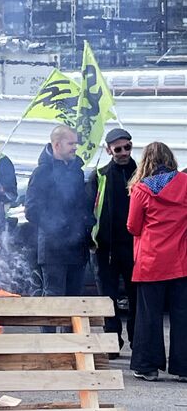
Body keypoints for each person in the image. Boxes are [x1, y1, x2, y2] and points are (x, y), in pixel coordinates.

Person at [127, 142, 187, 382]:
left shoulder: (141, 189)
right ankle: (184, 368)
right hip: (181, 261)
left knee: (148, 316)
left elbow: (132, 226)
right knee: (182, 315)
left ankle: (147, 366)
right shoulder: (185, 183)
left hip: (150, 261)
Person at [25, 125, 93, 299]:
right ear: (57, 145)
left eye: (75, 143)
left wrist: (87, 224)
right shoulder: (42, 172)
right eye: (71, 143)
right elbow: (31, 210)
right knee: (53, 300)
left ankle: (71, 329)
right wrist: (56, 225)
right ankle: (49, 328)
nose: (75, 147)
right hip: (53, 250)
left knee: (74, 300)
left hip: (77, 248)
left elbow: (81, 205)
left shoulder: (77, 172)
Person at [87, 128, 137, 357]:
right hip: (105, 249)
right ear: (109, 150)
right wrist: (90, 238)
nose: (124, 152)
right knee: (108, 299)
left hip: (134, 247)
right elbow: (88, 209)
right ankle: (112, 343)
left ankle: (138, 342)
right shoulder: (99, 175)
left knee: (136, 297)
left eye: (127, 147)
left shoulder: (140, 172)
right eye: (118, 149)